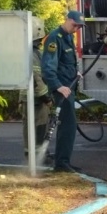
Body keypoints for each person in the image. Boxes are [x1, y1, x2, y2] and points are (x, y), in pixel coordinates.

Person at [41, 11, 84, 173]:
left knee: (69, 125)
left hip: (69, 87)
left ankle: (63, 161)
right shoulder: (54, 38)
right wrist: (58, 86)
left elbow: (66, 62)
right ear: (68, 20)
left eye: (79, 27)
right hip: (62, 89)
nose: (76, 29)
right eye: (75, 25)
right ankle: (61, 163)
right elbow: (48, 67)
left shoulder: (67, 37)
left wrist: (75, 73)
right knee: (68, 125)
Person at [20, 18, 53, 164]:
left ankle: (33, 156)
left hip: (28, 98)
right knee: (38, 128)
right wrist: (46, 97)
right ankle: (38, 157)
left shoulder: (28, 51)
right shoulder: (32, 54)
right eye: (40, 38)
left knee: (30, 128)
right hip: (36, 100)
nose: (41, 40)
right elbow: (37, 79)